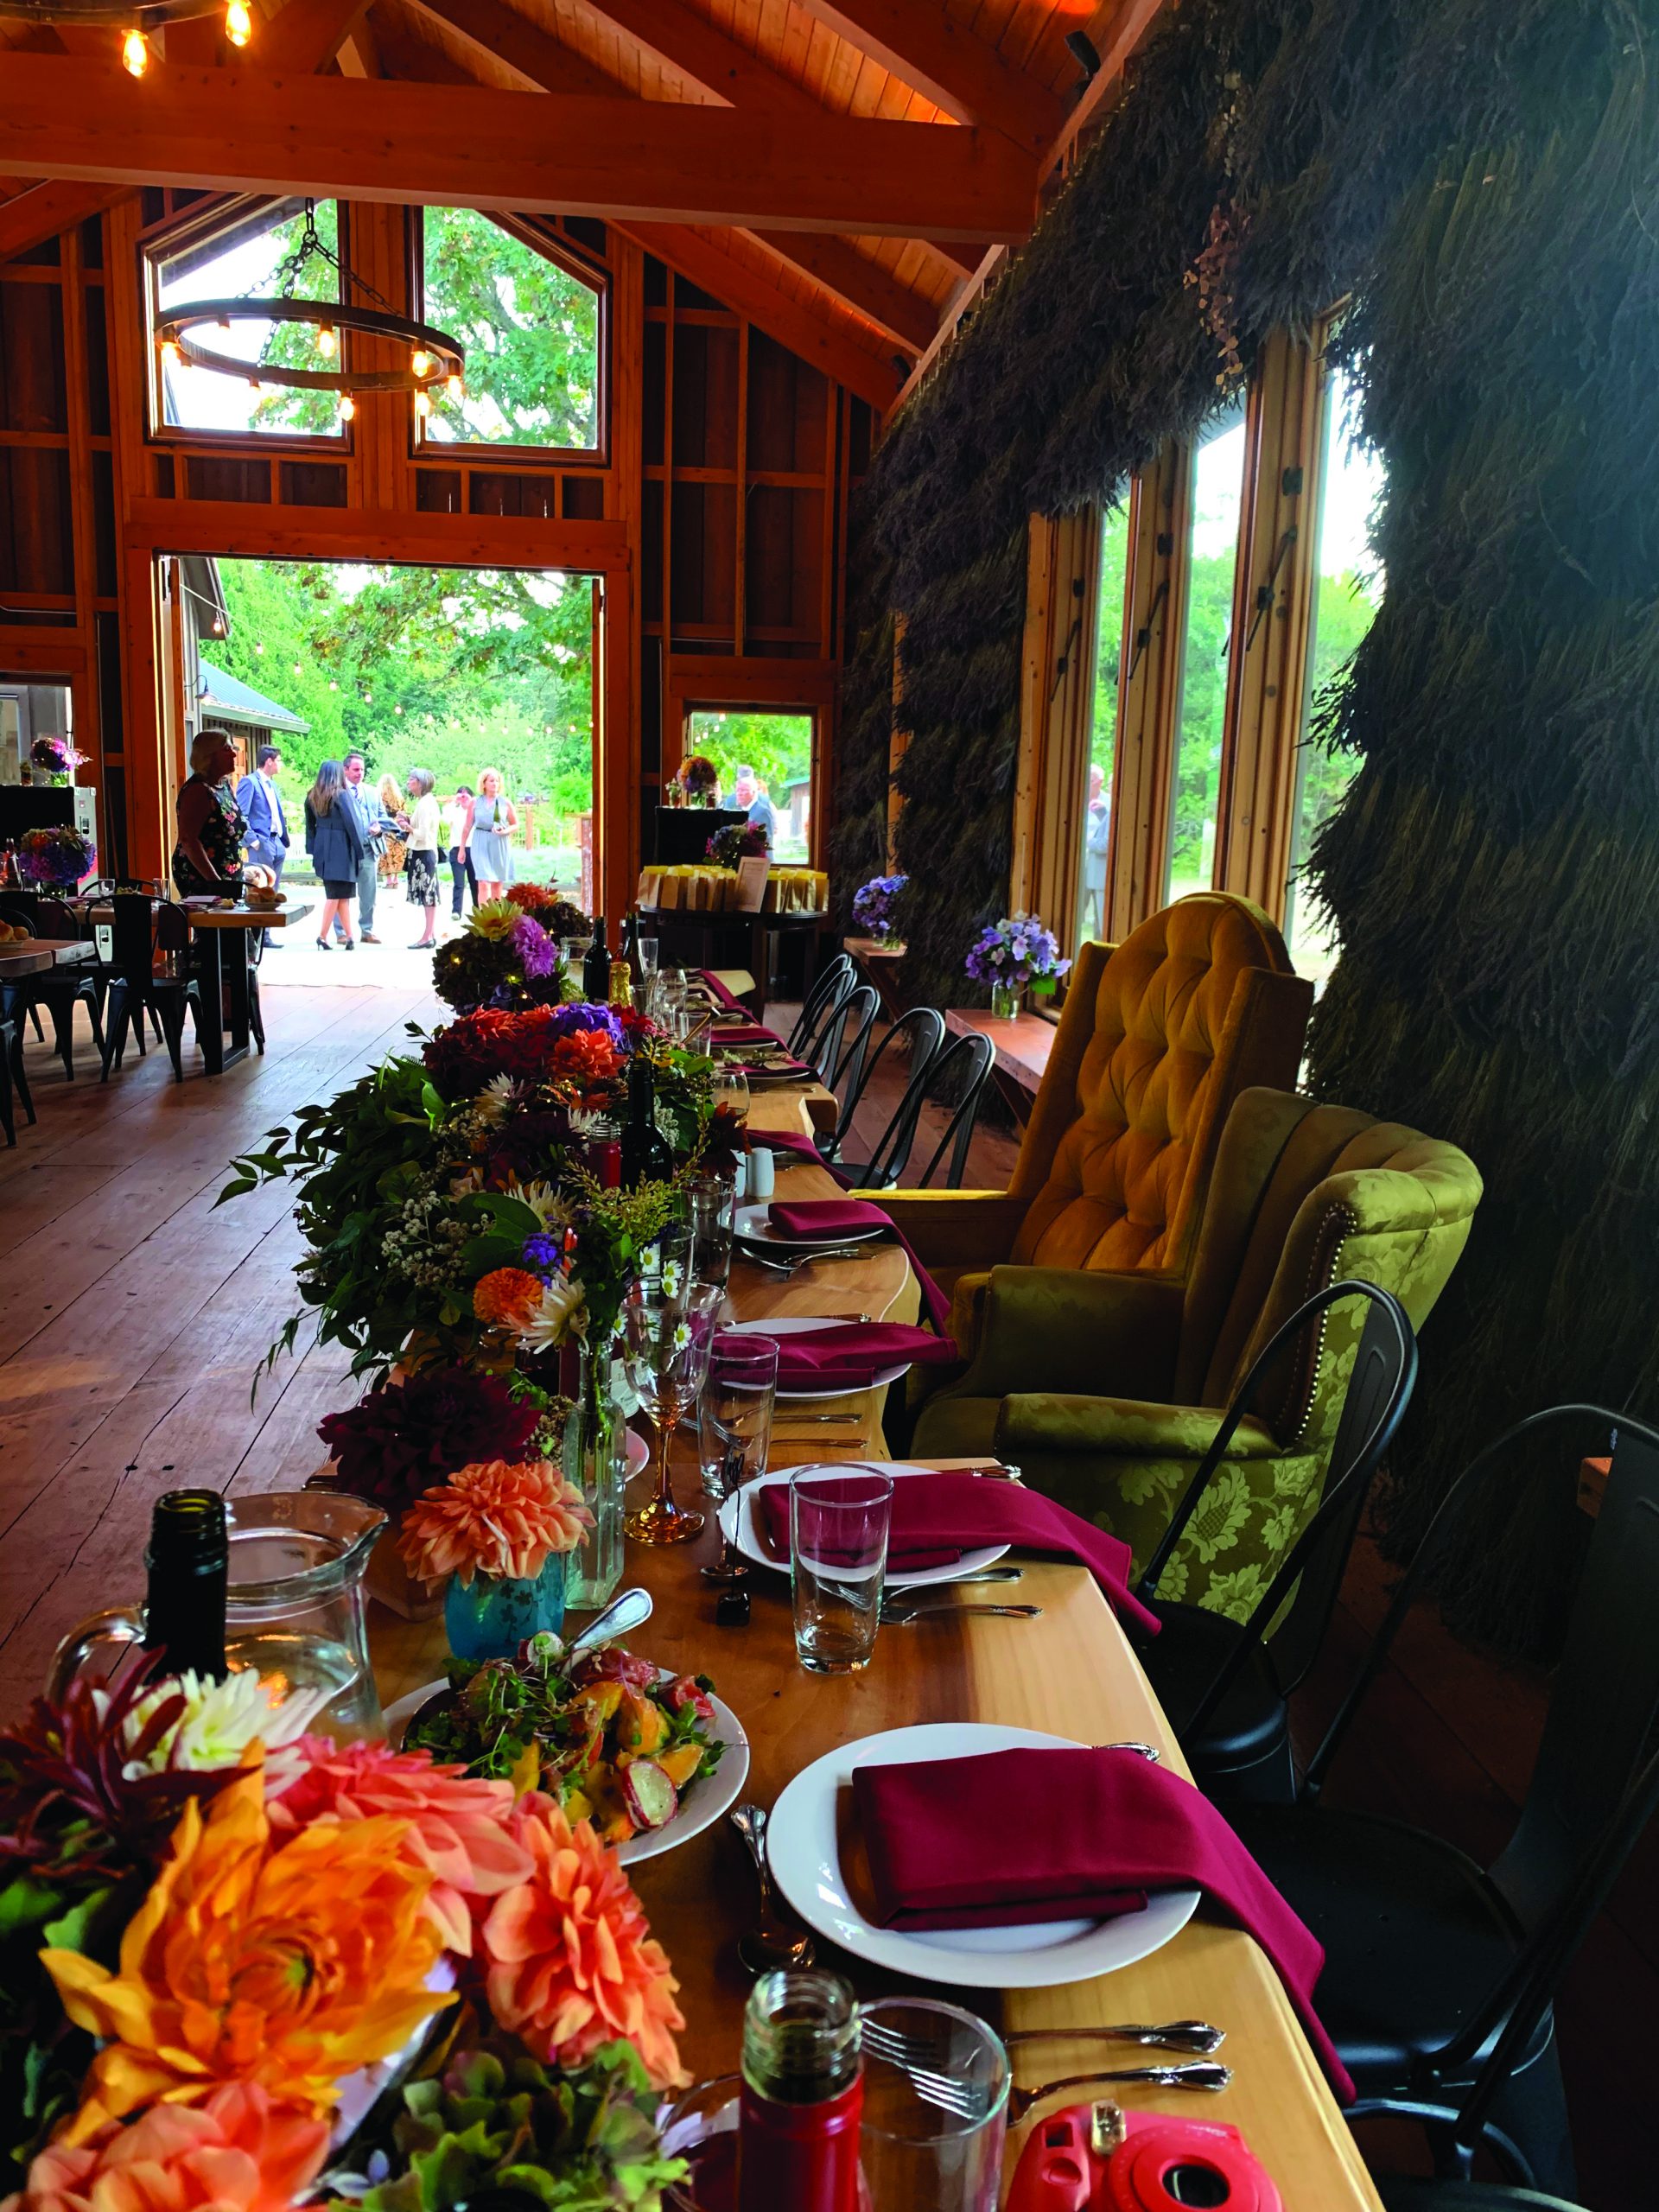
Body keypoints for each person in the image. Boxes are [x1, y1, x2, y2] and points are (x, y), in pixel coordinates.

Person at [172, 727, 246, 899]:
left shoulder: (224, 787)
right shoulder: (198, 790)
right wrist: (216, 883)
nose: (234, 754)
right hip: (205, 879)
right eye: (226, 749)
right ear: (209, 755)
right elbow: (188, 839)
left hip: (227, 878)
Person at [305, 759, 365, 951]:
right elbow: (352, 824)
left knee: (341, 895)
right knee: (335, 895)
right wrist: (360, 851)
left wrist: (313, 851)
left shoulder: (312, 796)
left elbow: (310, 828)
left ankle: (349, 937)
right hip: (342, 847)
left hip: (323, 847)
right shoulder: (342, 795)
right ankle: (322, 936)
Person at [235, 743, 289, 949]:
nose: (281, 764)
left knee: (273, 890)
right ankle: (256, 938)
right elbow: (241, 814)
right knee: (259, 890)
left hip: (277, 842)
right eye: (279, 761)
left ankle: (266, 935)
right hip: (262, 842)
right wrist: (254, 841)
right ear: (269, 761)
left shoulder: (272, 785)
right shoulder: (250, 782)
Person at [338, 751, 388, 944]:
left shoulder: (372, 792)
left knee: (369, 892)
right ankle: (342, 932)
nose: (360, 773)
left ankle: (367, 930)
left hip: (368, 847)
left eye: (362, 770)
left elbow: (383, 817)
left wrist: (379, 828)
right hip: (345, 849)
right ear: (346, 770)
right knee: (341, 892)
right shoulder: (337, 791)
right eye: (356, 770)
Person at [459, 766, 517, 903]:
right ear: (484, 783)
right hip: (480, 842)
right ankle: (483, 914)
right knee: (483, 882)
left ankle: (495, 913)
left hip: (499, 843)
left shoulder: (505, 803)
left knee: (497, 883)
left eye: (497, 781)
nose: (495, 783)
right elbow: (467, 827)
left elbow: (515, 824)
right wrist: (462, 849)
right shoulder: (475, 802)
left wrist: (505, 831)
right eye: (491, 781)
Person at [404, 767, 442, 949]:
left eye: (411, 779)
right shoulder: (424, 802)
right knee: (428, 894)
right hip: (421, 852)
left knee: (429, 895)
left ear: (420, 783)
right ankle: (429, 934)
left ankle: (427, 936)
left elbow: (423, 834)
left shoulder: (426, 803)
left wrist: (408, 827)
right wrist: (407, 820)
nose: (408, 782)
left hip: (424, 853)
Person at [1081, 761, 1110, 939]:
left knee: (1101, 917)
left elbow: (1109, 838)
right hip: (1080, 864)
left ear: (1100, 782)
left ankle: (1098, 948)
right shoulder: (1077, 797)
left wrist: (1087, 841)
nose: (1087, 783)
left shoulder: (1109, 802)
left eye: (1090, 780)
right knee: (1078, 909)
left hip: (1100, 867)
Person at [445, 785, 479, 918]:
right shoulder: (453, 810)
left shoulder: (475, 811)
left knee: (475, 882)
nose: (463, 797)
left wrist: (471, 802)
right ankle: (456, 911)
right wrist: (455, 801)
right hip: (456, 849)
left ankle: (478, 910)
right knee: (459, 882)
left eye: (466, 795)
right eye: (461, 794)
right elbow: (444, 820)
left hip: (473, 849)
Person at [733, 763, 778, 849]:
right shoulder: (737, 809)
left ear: (753, 792)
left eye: (743, 790)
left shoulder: (763, 811)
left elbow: (766, 841)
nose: (739, 794)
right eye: (737, 790)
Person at [376, 773, 409, 890]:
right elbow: (404, 813)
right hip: (397, 827)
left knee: (386, 854)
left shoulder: (380, 796)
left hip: (386, 827)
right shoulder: (399, 797)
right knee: (397, 853)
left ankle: (389, 881)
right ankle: (396, 880)